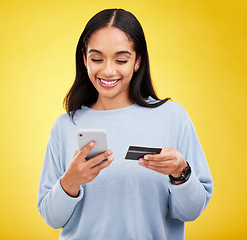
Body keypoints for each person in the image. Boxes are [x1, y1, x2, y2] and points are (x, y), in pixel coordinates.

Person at [38, 8, 213, 240]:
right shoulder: (65, 126)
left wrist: (181, 172)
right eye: (96, 59)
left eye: (121, 60)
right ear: (84, 58)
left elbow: (191, 212)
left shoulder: (172, 117)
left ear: (138, 60)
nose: (108, 70)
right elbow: (52, 218)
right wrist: (71, 181)